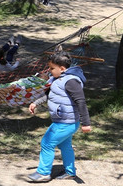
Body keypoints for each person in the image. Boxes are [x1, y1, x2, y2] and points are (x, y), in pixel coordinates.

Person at [27, 52, 92, 182]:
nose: (49, 71)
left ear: (62, 68)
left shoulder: (71, 81)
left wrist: (86, 123)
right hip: (64, 121)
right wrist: (36, 103)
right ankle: (70, 172)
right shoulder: (58, 79)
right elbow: (51, 94)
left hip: (65, 123)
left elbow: (81, 101)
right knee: (65, 146)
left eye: (52, 68)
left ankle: (43, 173)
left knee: (46, 143)